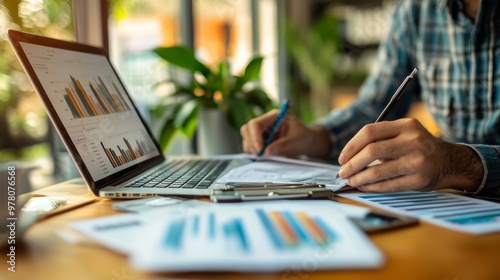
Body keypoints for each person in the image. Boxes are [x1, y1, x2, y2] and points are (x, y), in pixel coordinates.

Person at [240, 0, 500, 199]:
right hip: (455, 211)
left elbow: (450, 162)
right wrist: (315, 136)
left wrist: (455, 163)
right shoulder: (415, 9)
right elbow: (373, 107)